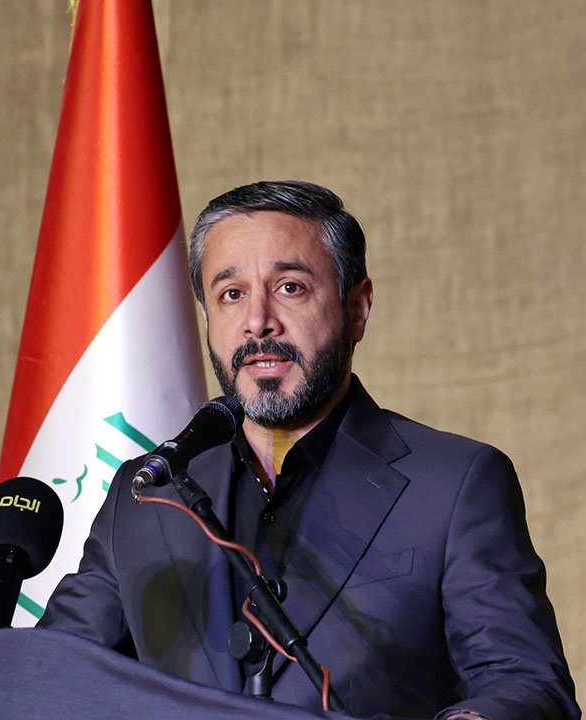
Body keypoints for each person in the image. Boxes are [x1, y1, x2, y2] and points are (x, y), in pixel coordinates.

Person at [37, 181, 578, 720]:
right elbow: (47, 681)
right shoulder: (148, 493)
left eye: (290, 287)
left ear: (357, 308)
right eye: (231, 294)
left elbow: (529, 685)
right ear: (207, 319)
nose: (258, 321)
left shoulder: (456, 485)